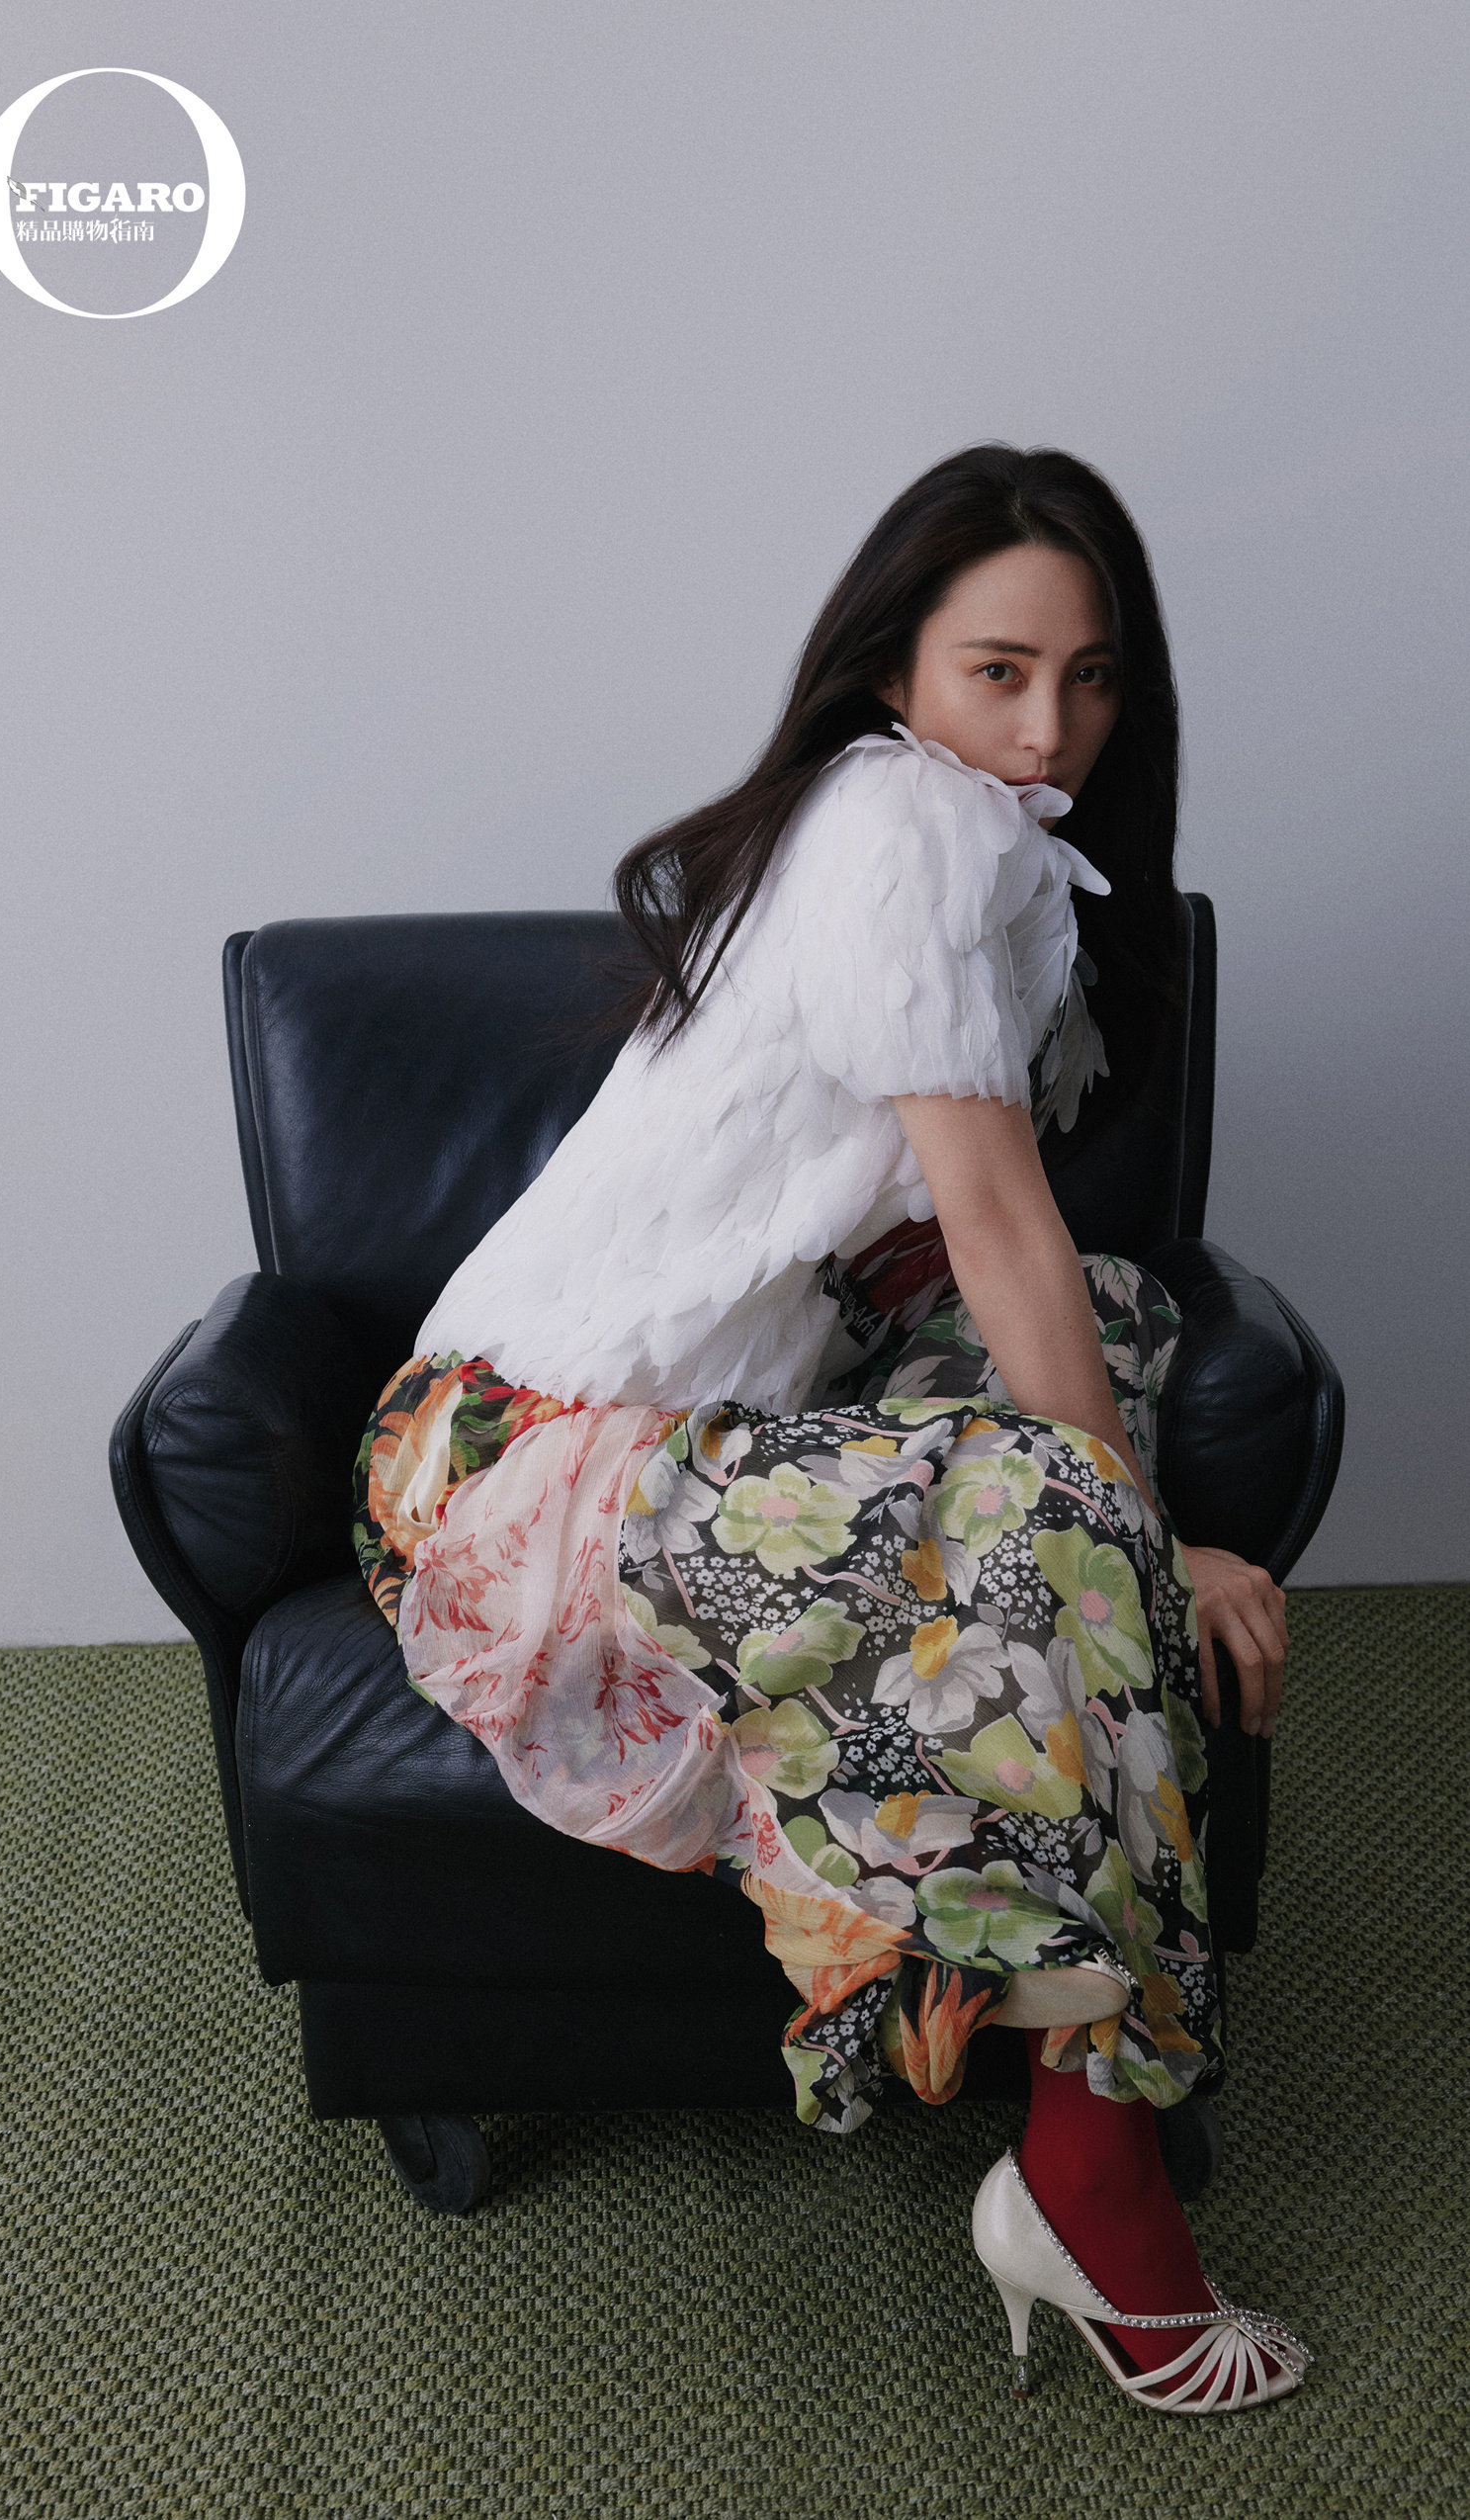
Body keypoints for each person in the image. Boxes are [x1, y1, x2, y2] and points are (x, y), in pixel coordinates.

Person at [351, 444, 1308, 2412]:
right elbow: (993, 1219)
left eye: (1092, 678)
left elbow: (972, 1261)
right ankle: (1096, 2176)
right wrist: (1154, 1539)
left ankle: (1066, 2106)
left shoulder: (990, 851)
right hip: (524, 1461)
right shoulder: (902, 825)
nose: (1047, 729)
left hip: (724, 1423)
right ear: (895, 672)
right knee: (1065, 1515)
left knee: (1111, 1341)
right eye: (997, 673)